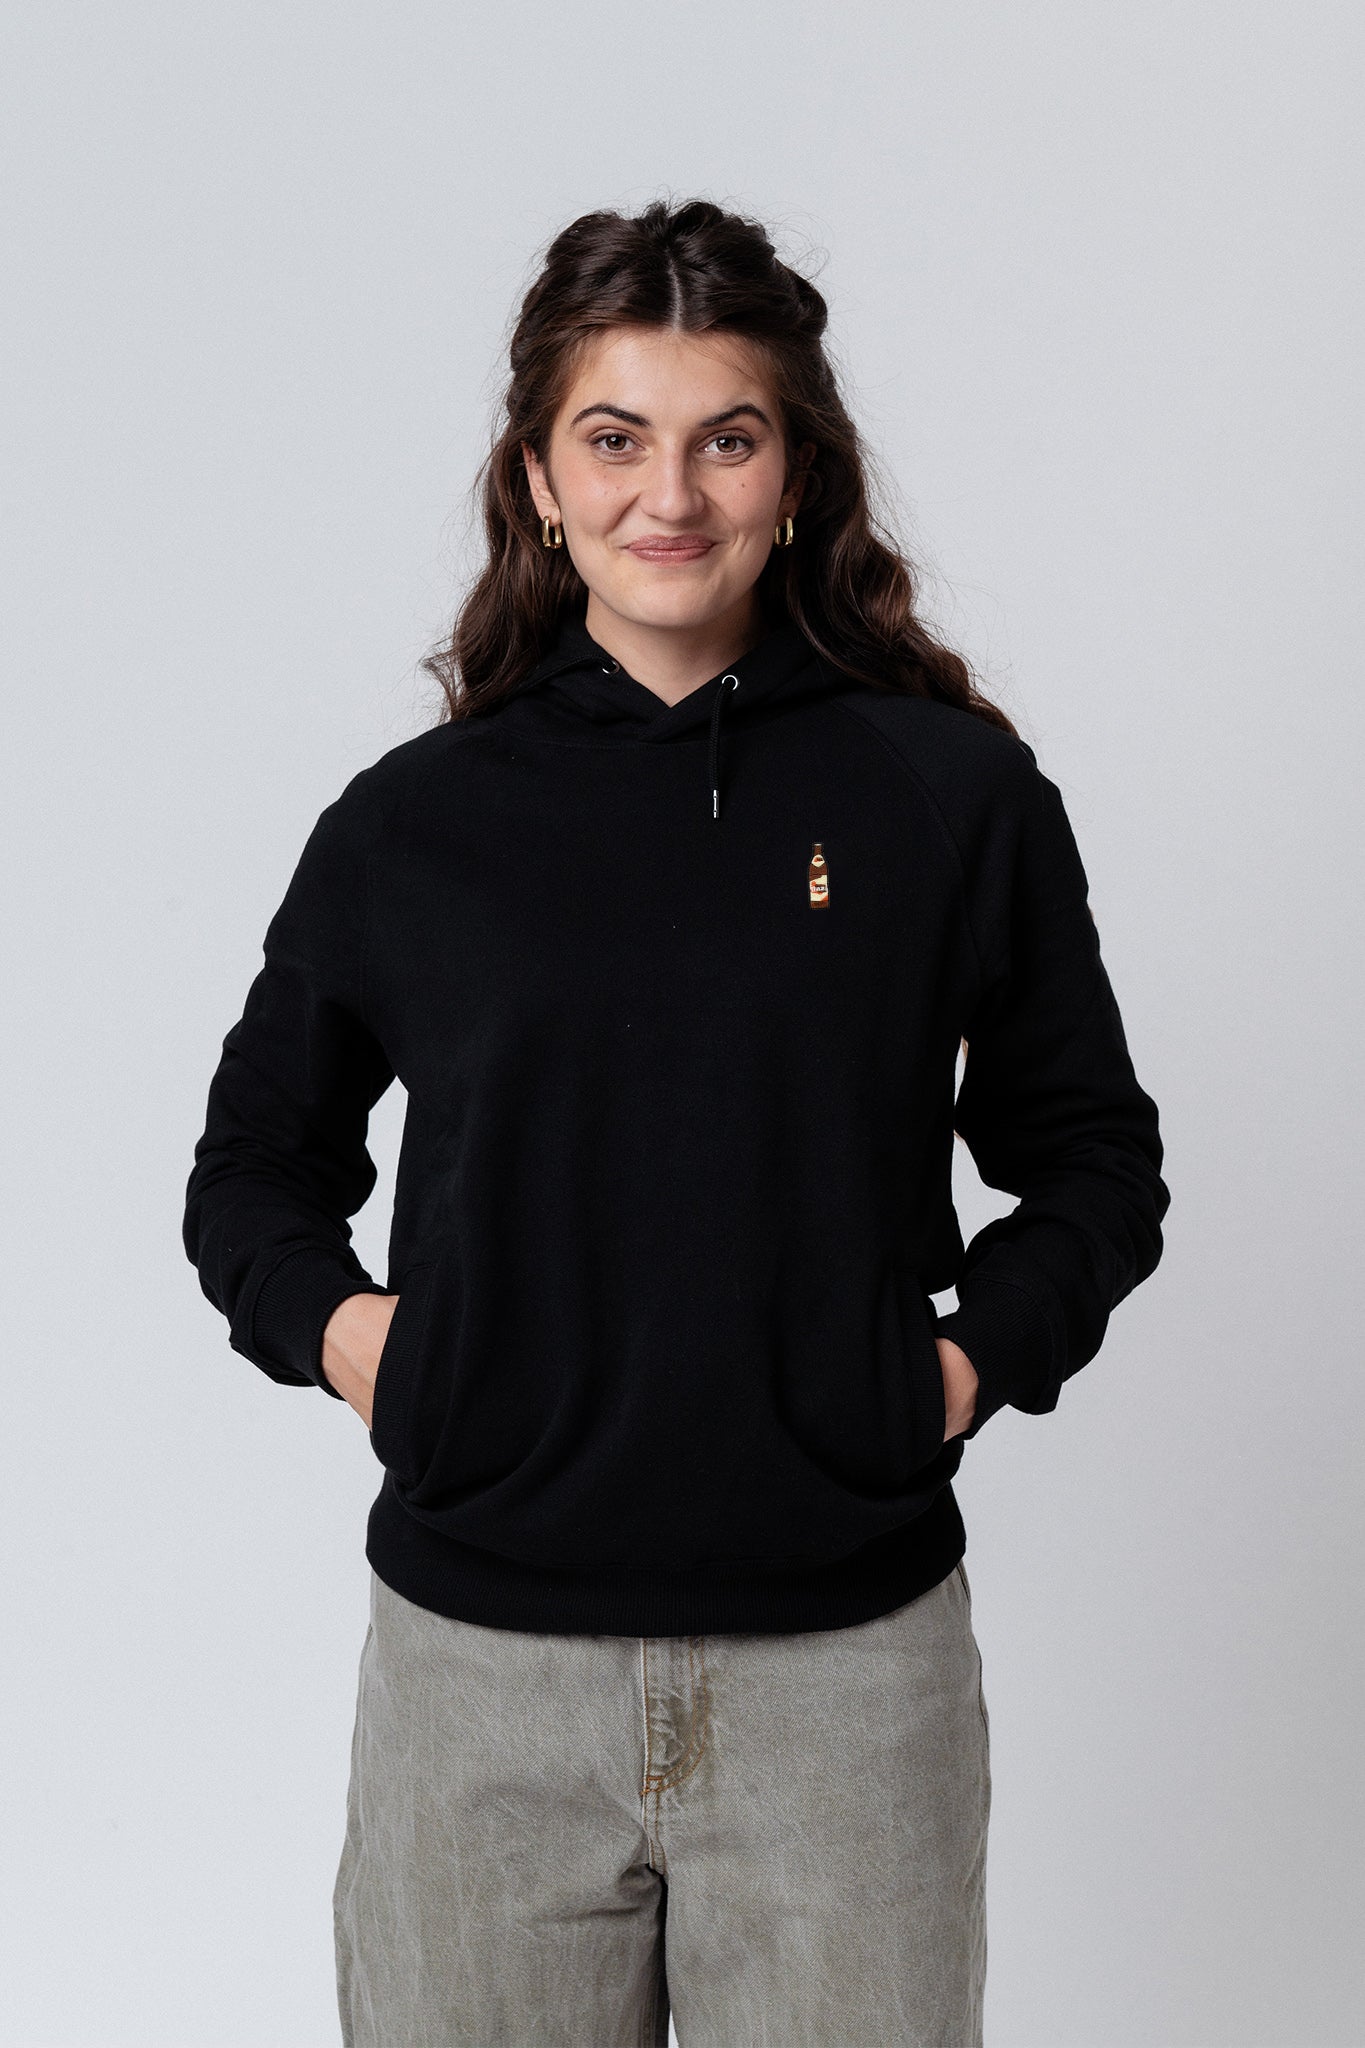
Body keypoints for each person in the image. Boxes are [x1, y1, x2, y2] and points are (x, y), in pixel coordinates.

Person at [182, 196, 1169, 2047]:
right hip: (479, 1687)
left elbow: (1095, 1161)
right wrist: (359, 1342)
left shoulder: (948, 797)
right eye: (613, 438)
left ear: (796, 476)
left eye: (726, 438)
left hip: (847, 1690)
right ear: (539, 482)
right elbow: (252, 1168)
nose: (670, 495)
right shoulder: (415, 823)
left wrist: (953, 1370)